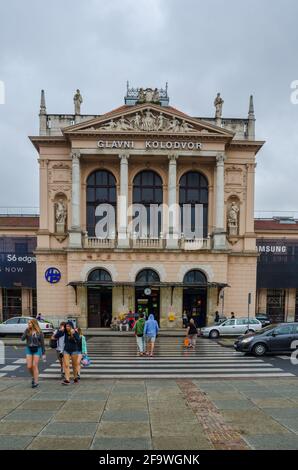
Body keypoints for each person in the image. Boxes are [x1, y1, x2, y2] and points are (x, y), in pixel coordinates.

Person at [54, 321, 81, 385]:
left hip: (74, 350)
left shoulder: (75, 331)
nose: (67, 327)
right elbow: (56, 336)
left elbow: (78, 340)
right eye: (66, 326)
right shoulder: (64, 332)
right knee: (66, 365)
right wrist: (60, 330)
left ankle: (75, 378)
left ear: (71, 326)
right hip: (66, 350)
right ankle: (67, 380)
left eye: (68, 326)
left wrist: (74, 333)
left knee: (74, 365)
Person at [21, 318, 46, 388]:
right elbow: (22, 339)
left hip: (37, 349)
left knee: (34, 365)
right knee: (29, 366)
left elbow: (42, 343)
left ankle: (36, 382)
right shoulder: (27, 330)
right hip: (29, 349)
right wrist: (26, 330)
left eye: (30, 323)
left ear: (34, 324)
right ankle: (33, 377)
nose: (29, 324)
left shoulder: (39, 332)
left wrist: (43, 353)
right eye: (28, 323)